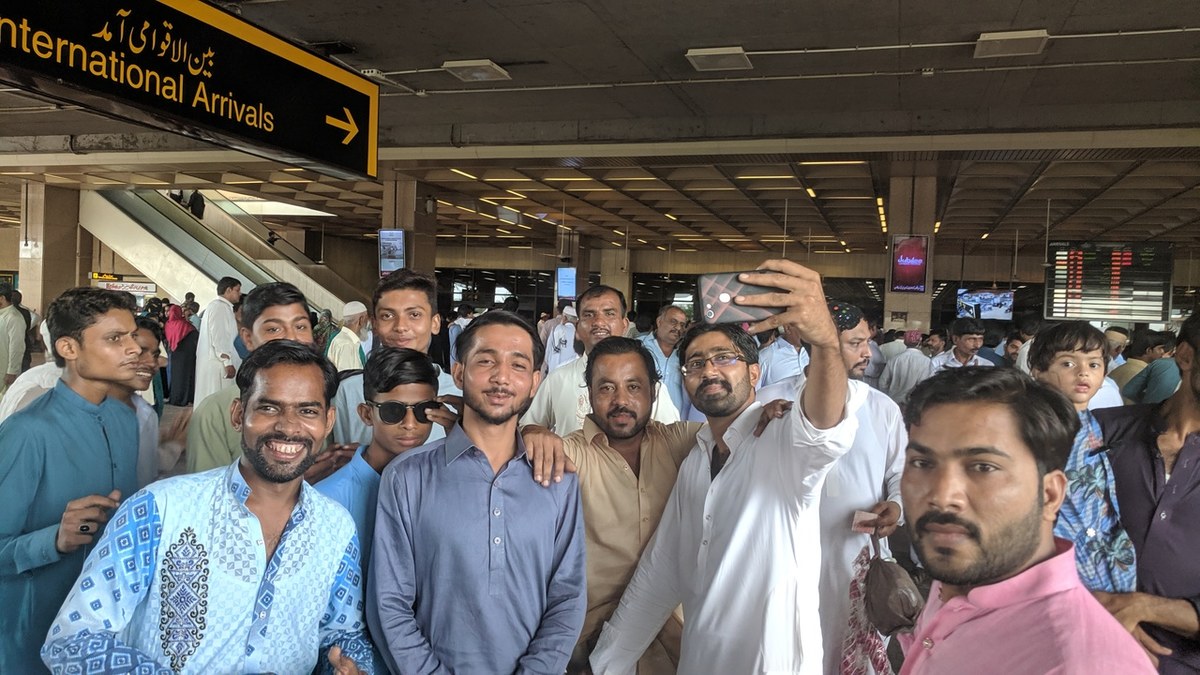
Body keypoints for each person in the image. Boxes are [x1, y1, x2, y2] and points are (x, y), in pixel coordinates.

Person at [590, 259, 860, 675]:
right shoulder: (696, 460)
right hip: (700, 660)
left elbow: (823, 428)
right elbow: (660, 571)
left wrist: (825, 344)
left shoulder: (782, 440)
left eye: (723, 358)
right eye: (695, 363)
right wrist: (605, 663)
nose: (709, 370)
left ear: (754, 372)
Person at [42, 340, 375, 673]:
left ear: (328, 421)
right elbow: (72, 641)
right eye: (269, 408)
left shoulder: (335, 526)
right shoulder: (159, 509)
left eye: (307, 411)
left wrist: (351, 666)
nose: (288, 427)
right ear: (238, 414)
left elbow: (342, 632)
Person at [896, 367, 1154, 674]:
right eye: (922, 462)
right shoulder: (963, 569)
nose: (942, 496)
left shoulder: (1082, 664)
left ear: (1050, 495)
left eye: (983, 467)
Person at [369, 311, 587, 674]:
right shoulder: (407, 477)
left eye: (518, 365)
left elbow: (568, 596)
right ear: (458, 373)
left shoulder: (557, 479)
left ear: (535, 382)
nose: (501, 377)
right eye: (486, 361)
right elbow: (389, 603)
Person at [757, 301, 905, 674]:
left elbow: (900, 472)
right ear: (818, 342)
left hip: (854, 556)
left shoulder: (881, 407)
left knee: (850, 651)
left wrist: (897, 506)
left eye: (866, 342)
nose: (867, 353)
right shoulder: (770, 401)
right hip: (783, 555)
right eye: (855, 343)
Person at [0, 288, 141, 671]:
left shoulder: (124, 419)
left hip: (105, 620)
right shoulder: (28, 431)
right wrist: (54, 540)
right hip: (33, 628)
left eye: (132, 335)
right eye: (115, 338)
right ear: (68, 348)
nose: (134, 348)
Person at [1095, 310, 1200, 673]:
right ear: (1185, 356)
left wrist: (1144, 607)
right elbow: (1034, 531)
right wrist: (1089, 603)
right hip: (1083, 647)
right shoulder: (1101, 433)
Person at [186, 282, 349, 477]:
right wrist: (297, 482)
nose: (291, 338)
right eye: (273, 329)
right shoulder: (214, 412)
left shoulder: (325, 399)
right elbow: (207, 489)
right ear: (248, 338)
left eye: (300, 326)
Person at [317, 347, 455, 572]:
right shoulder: (327, 500)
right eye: (393, 411)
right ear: (366, 414)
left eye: (423, 410)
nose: (409, 424)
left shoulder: (445, 486)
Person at [1028, 321, 1137, 593]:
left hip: (1108, 572)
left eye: (1094, 364)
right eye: (1068, 363)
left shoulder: (1096, 425)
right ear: (1038, 371)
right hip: (1055, 574)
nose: (1083, 373)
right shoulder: (1030, 430)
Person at [524, 285, 678, 436]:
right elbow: (528, 429)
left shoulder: (649, 386)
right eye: (589, 315)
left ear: (624, 325)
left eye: (609, 314)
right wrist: (536, 435)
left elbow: (670, 440)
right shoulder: (558, 379)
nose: (598, 322)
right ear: (577, 328)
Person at [332, 270, 461, 447]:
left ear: (435, 323)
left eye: (414, 315)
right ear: (375, 325)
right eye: (388, 316)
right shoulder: (349, 391)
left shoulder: (458, 395)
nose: (401, 326)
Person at [193, 276, 242, 405]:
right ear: (228, 290)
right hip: (218, 363)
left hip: (217, 361)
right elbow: (220, 337)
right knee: (217, 400)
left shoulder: (222, 307)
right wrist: (227, 362)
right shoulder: (219, 307)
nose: (240, 294)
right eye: (237, 290)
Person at [639, 305, 688, 412]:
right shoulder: (638, 346)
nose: (678, 328)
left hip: (675, 419)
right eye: (673, 322)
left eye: (682, 325)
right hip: (642, 416)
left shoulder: (685, 355)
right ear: (659, 322)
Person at [879, 330, 934, 406]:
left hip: (894, 402)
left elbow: (882, 383)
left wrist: (887, 397)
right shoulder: (926, 361)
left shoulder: (894, 359)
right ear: (920, 341)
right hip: (914, 403)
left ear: (905, 342)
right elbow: (926, 385)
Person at [1122, 338, 1181, 405]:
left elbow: (1128, 391)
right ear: (1149, 350)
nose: (1162, 352)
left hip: (1147, 409)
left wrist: (1149, 400)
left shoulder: (1160, 363)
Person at [1110, 329, 1170, 394]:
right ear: (1149, 350)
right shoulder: (1143, 375)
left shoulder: (1118, 369)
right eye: (1160, 349)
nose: (1162, 352)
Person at [756, 323, 811, 388]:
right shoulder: (765, 357)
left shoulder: (814, 353)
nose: (809, 332)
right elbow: (754, 392)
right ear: (787, 328)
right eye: (804, 327)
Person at [164, 303, 199, 406]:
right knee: (187, 375)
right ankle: (186, 398)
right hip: (188, 354)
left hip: (175, 353)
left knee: (176, 376)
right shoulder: (185, 324)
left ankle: (175, 397)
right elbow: (195, 334)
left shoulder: (168, 324)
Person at [0, 282, 26, 396]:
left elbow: (17, 346)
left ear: (2, 298)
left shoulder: (14, 318)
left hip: (5, 370)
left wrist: (12, 371)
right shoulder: (2, 315)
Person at [328, 301, 370, 371]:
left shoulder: (341, 338)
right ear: (361, 320)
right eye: (367, 319)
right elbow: (348, 376)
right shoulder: (347, 344)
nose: (367, 323)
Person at [545, 305, 579, 373]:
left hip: (553, 372)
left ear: (565, 318)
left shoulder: (556, 329)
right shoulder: (579, 334)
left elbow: (548, 354)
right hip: (571, 372)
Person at [447, 302, 475, 367]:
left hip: (454, 355)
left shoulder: (456, 324)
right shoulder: (473, 322)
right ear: (469, 314)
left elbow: (449, 325)